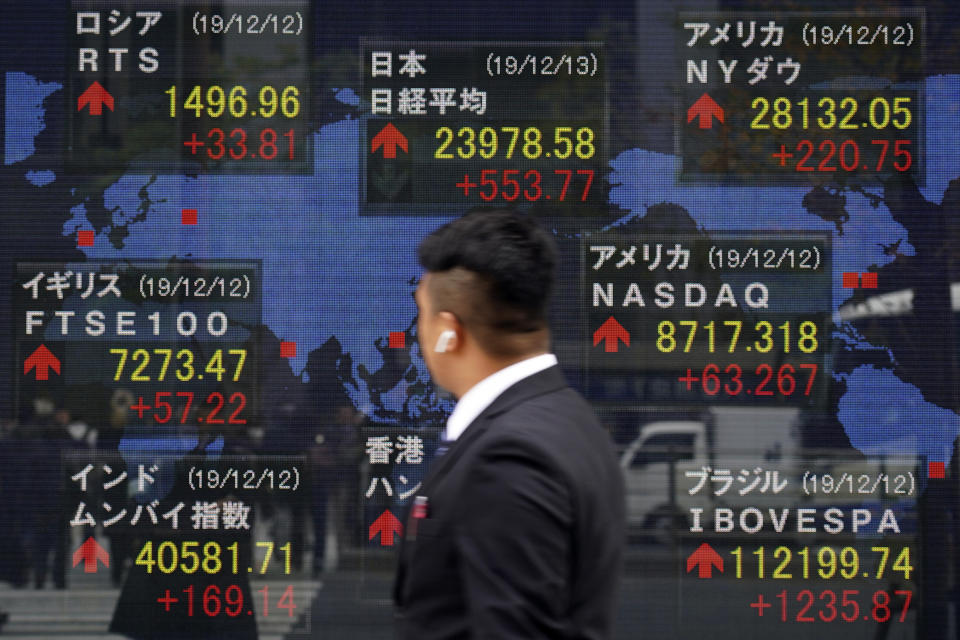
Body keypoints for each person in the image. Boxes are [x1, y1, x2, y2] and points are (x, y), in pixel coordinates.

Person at [393, 209, 625, 639]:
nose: (417, 335)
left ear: (448, 331)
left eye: (421, 314)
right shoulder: (570, 419)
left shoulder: (507, 458)